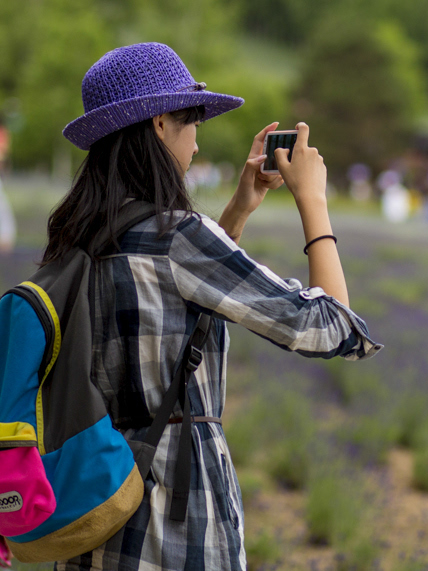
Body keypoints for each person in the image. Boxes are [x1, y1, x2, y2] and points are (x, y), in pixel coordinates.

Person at [46, 43, 381, 571]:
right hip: (172, 523)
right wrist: (312, 202)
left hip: (95, 508)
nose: (197, 144)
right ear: (160, 123)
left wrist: (238, 211)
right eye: (193, 121)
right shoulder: (176, 236)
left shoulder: (76, 236)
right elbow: (329, 326)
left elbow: (168, 303)